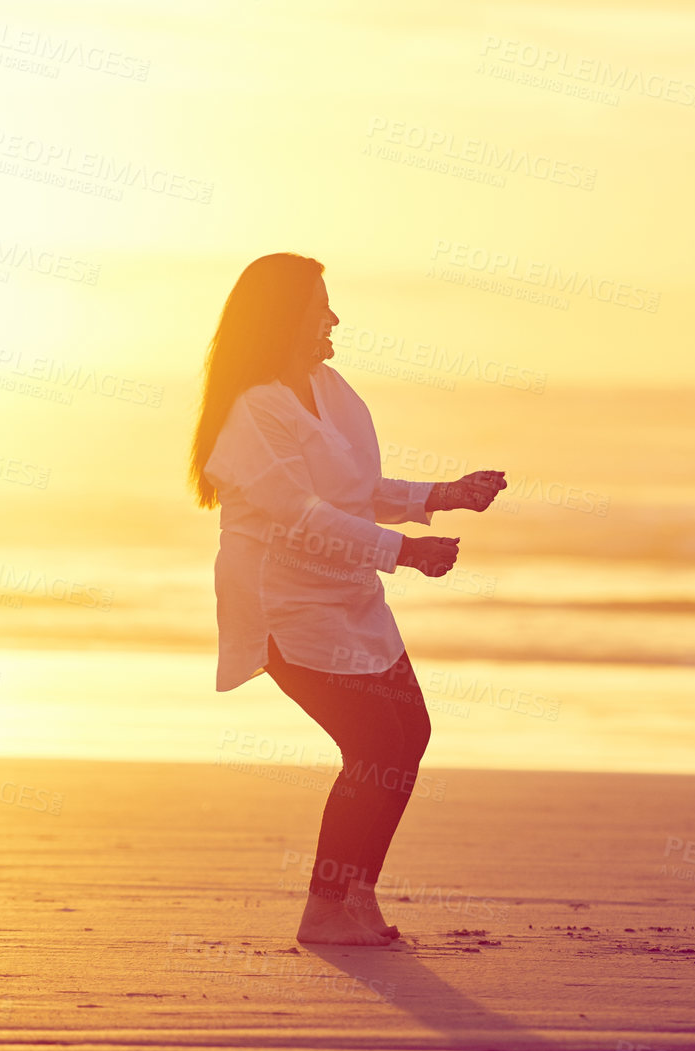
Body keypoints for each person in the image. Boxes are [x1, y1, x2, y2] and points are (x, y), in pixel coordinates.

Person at [190, 252, 507, 946]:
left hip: (349, 594)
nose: (334, 318)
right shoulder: (251, 413)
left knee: (408, 735)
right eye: (320, 305)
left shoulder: (327, 388)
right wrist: (406, 552)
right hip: (286, 606)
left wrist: (441, 496)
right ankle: (325, 909)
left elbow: (355, 492)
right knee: (372, 743)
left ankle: (354, 896)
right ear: (284, 318)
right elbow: (298, 516)